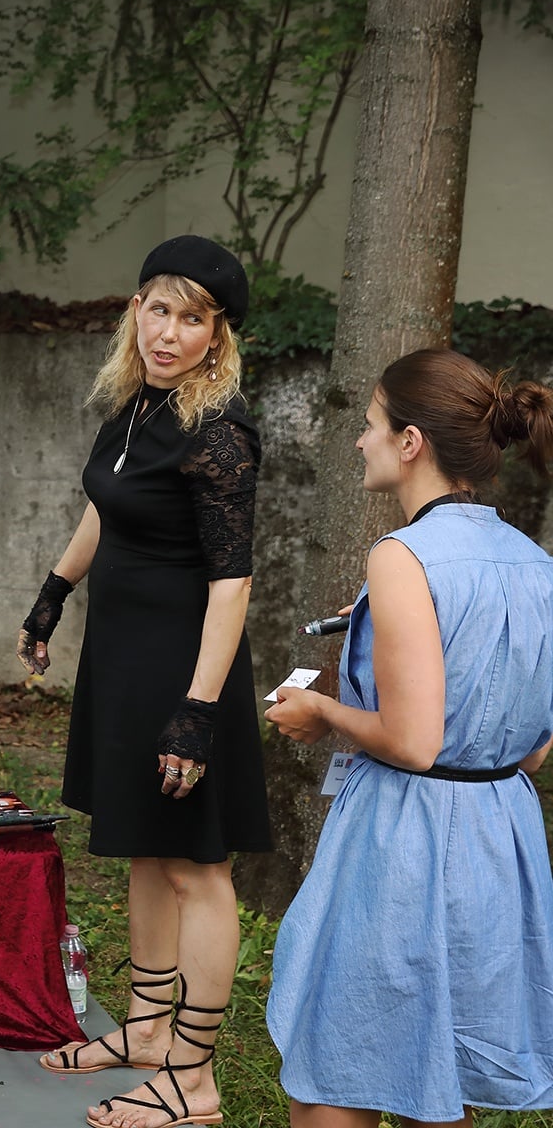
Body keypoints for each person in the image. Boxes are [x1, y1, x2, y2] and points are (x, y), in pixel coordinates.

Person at [264, 347, 553, 1128]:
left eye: (370, 425)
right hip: (501, 837)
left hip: (406, 839)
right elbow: (532, 749)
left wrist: (322, 712)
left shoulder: (402, 557)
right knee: (439, 1073)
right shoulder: (536, 564)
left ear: (411, 442)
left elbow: (415, 742)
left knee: (333, 1067)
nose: (362, 441)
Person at [21, 236, 272, 1128]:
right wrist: (55, 592)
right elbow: (109, 504)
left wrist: (197, 712)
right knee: (145, 852)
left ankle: (193, 1081)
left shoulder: (219, 434)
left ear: (217, 334)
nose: (169, 333)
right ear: (136, 310)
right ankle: (145, 1031)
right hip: (124, 662)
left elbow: (233, 583)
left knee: (196, 868)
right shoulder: (139, 405)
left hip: (184, 669)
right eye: (158, 310)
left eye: (191, 318)